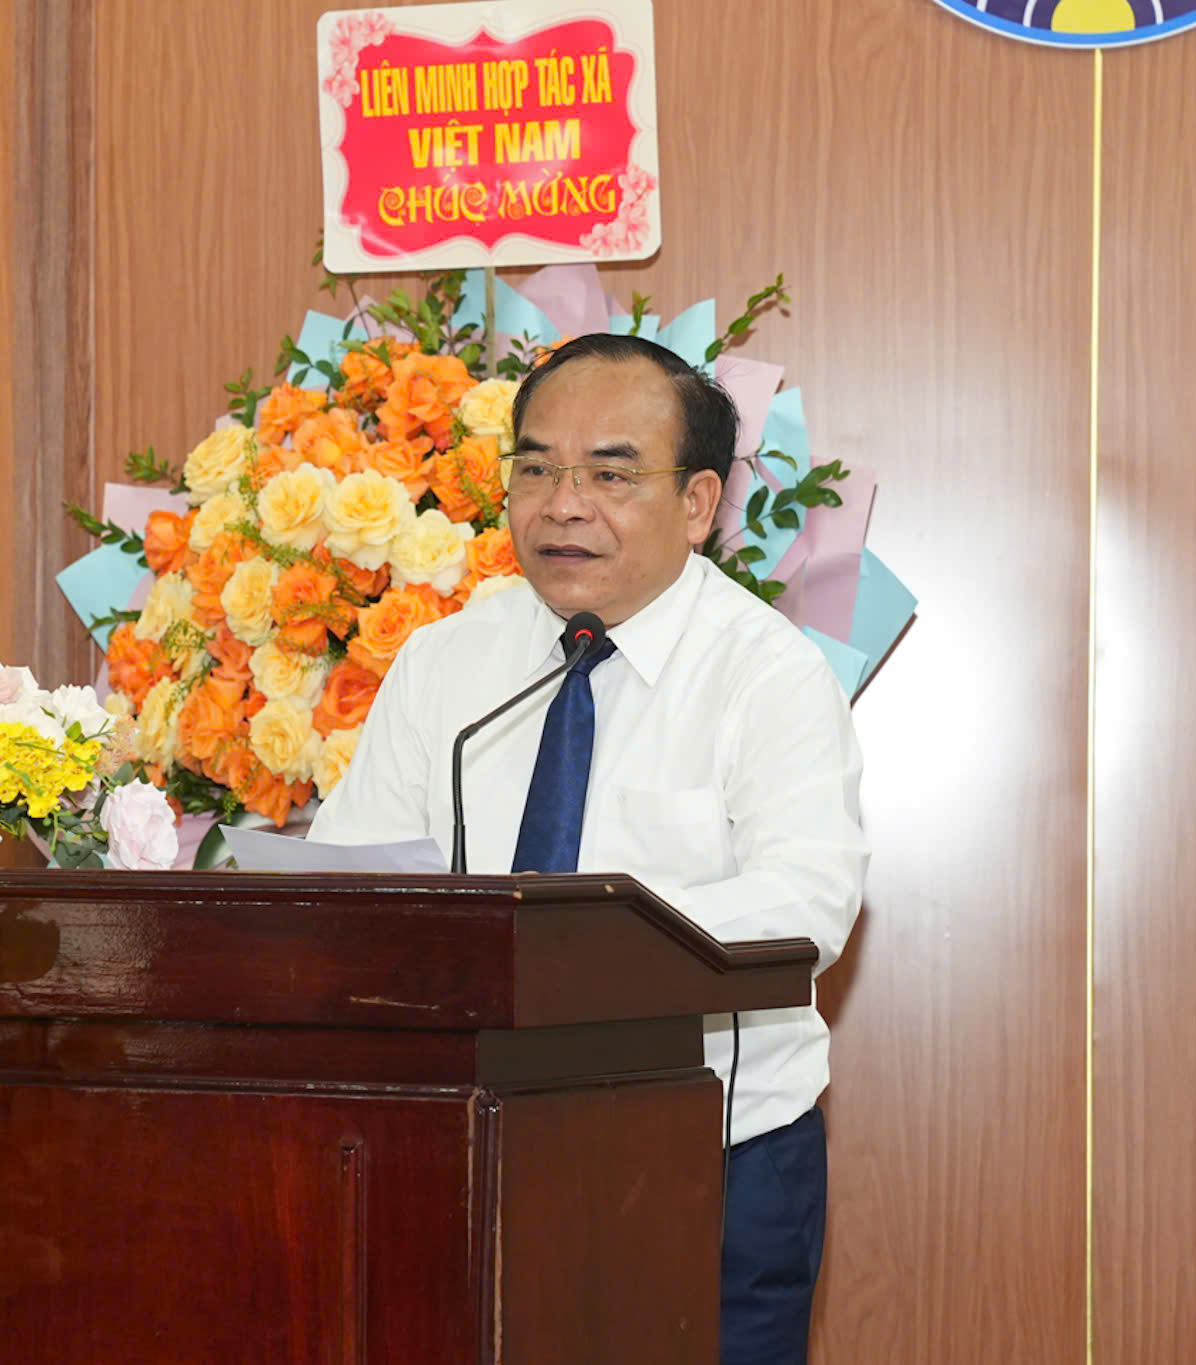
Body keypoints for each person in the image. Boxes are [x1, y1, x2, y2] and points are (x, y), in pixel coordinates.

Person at [307, 333, 868, 1363]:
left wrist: (571, 946)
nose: (562, 505)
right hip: (463, 1149)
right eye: (535, 469)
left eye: (610, 474)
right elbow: (351, 884)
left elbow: (807, 900)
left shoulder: (766, 674)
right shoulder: (444, 663)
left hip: (708, 1160)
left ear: (697, 503)